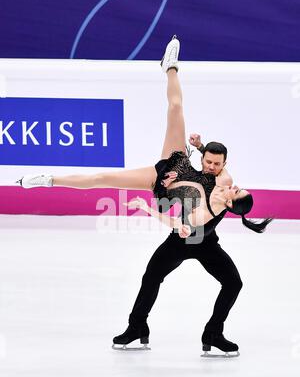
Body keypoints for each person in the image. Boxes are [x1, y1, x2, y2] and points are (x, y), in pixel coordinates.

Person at [17, 36, 272, 356]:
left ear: (231, 203)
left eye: (236, 192)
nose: (232, 184)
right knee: (168, 115)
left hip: (193, 236)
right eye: (233, 183)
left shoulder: (204, 213)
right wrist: (198, 146)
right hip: (173, 167)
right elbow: (211, 161)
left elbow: (175, 221)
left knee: (230, 282)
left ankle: (212, 333)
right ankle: (171, 67)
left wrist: (146, 209)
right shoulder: (224, 175)